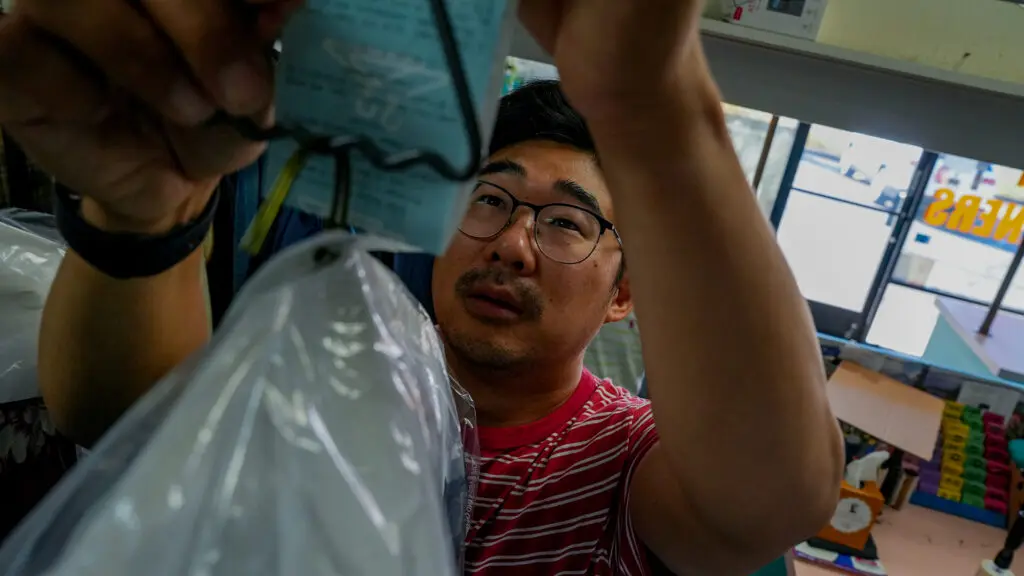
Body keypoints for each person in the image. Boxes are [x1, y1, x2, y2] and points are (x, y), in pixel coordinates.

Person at [0, 0, 845, 574]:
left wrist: (653, 102)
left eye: (565, 222)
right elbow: (117, 417)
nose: (513, 245)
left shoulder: (619, 462)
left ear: (624, 294)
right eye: (489, 199)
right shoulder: (328, 378)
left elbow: (771, 504)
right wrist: (145, 218)